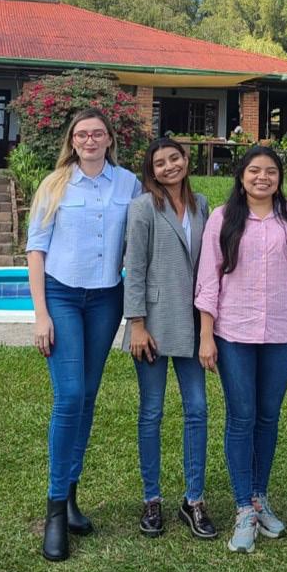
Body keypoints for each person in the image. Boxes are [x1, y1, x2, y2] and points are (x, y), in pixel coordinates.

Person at [26, 108, 141, 562]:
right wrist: (41, 314)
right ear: (72, 141)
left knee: (88, 396)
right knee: (69, 395)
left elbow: (139, 241)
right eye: (81, 135)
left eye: (97, 134)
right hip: (62, 295)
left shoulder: (128, 184)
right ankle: (55, 509)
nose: (89, 141)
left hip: (106, 299)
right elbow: (36, 250)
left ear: (110, 139)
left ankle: (72, 496)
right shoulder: (54, 184)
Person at [194, 145, 287, 554]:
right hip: (234, 332)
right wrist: (206, 335)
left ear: (279, 178)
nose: (262, 177)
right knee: (241, 416)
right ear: (241, 176)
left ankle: (260, 497)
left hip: (281, 333)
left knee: (268, 416)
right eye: (254, 170)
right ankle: (243, 507)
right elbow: (209, 280)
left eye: (270, 171)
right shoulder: (222, 218)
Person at [122, 138, 216, 540]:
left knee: (197, 409)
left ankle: (193, 500)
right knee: (152, 412)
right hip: (153, 325)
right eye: (159, 163)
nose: (169, 167)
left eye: (174, 158)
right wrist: (136, 323)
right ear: (152, 170)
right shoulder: (143, 207)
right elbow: (134, 267)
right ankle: (152, 498)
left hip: (192, 324)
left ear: (186, 160)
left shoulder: (201, 205)